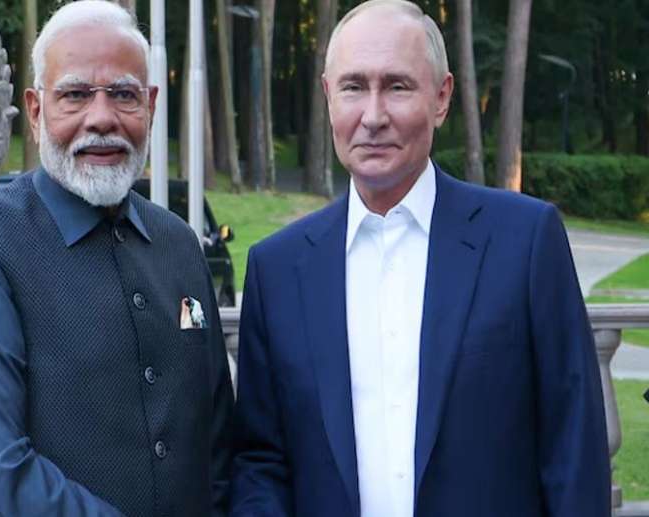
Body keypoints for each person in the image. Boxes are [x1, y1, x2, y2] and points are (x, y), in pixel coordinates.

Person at [229, 1, 610, 516]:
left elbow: (574, 445)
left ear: (442, 97)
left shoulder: (525, 242)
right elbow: (261, 461)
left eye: (397, 86)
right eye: (353, 87)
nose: (373, 116)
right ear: (328, 95)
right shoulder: (276, 270)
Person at [0, 1, 233, 515]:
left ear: (151, 106)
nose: (102, 118)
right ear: (36, 110)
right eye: (75, 94)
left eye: (124, 95)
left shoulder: (179, 244)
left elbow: (217, 442)